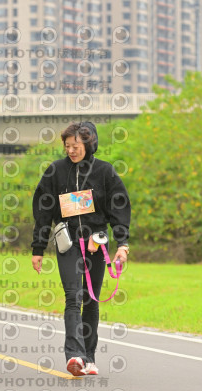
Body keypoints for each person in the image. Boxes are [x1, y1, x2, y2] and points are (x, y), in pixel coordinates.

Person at [31, 122, 131, 376]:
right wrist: (38, 248)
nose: (71, 151)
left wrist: (122, 244)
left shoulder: (105, 172)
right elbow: (43, 211)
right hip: (68, 241)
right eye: (67, 146)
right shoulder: (55, 171)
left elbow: (119, 208)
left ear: (89, 144)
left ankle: (89, 358)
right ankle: (74, 355)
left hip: (96, 242)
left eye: (76, 146)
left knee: (90, 299)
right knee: (73, 297)